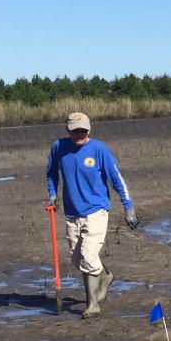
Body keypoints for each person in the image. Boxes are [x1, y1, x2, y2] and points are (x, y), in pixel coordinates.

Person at [45, 112, 139, 317]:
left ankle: (92, 305)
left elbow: (116, 179)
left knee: (88, 257)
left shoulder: (99, 149)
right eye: (75, 131)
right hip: (71, 213)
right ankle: (105, 276)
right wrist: (53, 196)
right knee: (77, 259)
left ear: (90, 129)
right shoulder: (58, 148)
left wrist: (128, 208)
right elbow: (51, 173)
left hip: (97, 210)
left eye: (83, 130)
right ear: (67, 130)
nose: (80, 134)